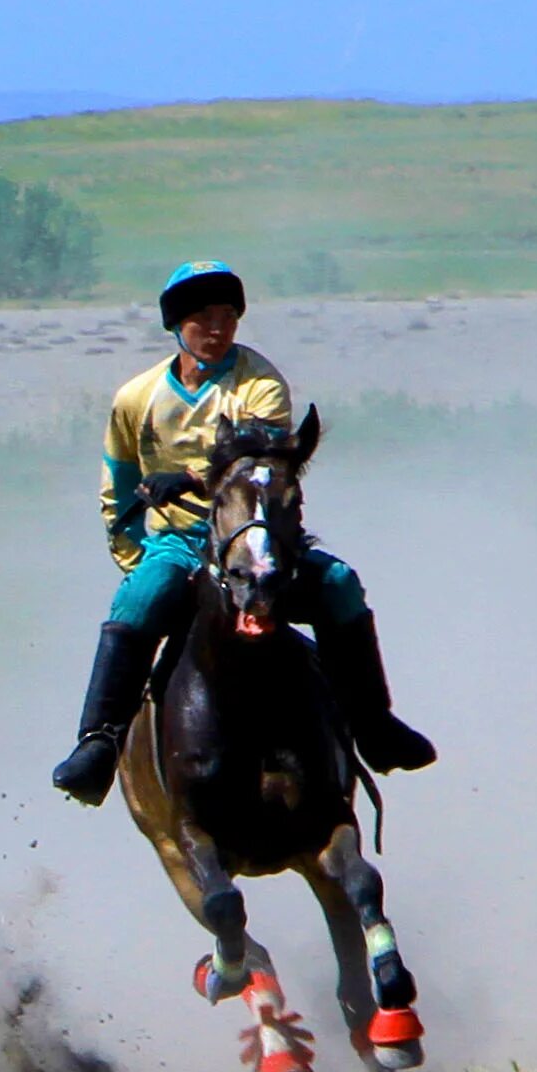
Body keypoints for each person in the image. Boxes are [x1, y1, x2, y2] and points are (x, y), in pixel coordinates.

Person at [51, 260, 436, 806]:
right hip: (180, 542)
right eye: (204, 317)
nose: (217, 327)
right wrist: (135, 556)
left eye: (228, 315)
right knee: (141, 597)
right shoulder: (135, 399)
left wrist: (186, 477)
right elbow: (117, 487)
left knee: (341, 584)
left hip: (260, 534)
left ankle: (375, 725)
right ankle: (99, 744)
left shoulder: (259, 382)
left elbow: (260, 455)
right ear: (177, 325)